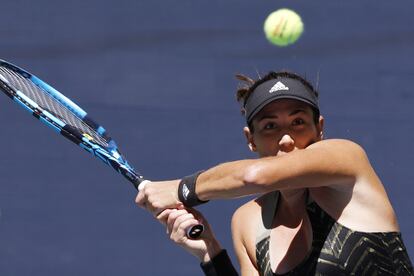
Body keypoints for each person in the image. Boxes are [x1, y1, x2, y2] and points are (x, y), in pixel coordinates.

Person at [136, 71, 413, 275]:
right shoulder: (247, 222)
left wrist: (183, 189)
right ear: (251, 139)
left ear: (320, 129)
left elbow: (255, 176)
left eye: (298, 122)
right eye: (270, 126)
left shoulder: (348, 161)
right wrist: (210, 253)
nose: (286, 139)